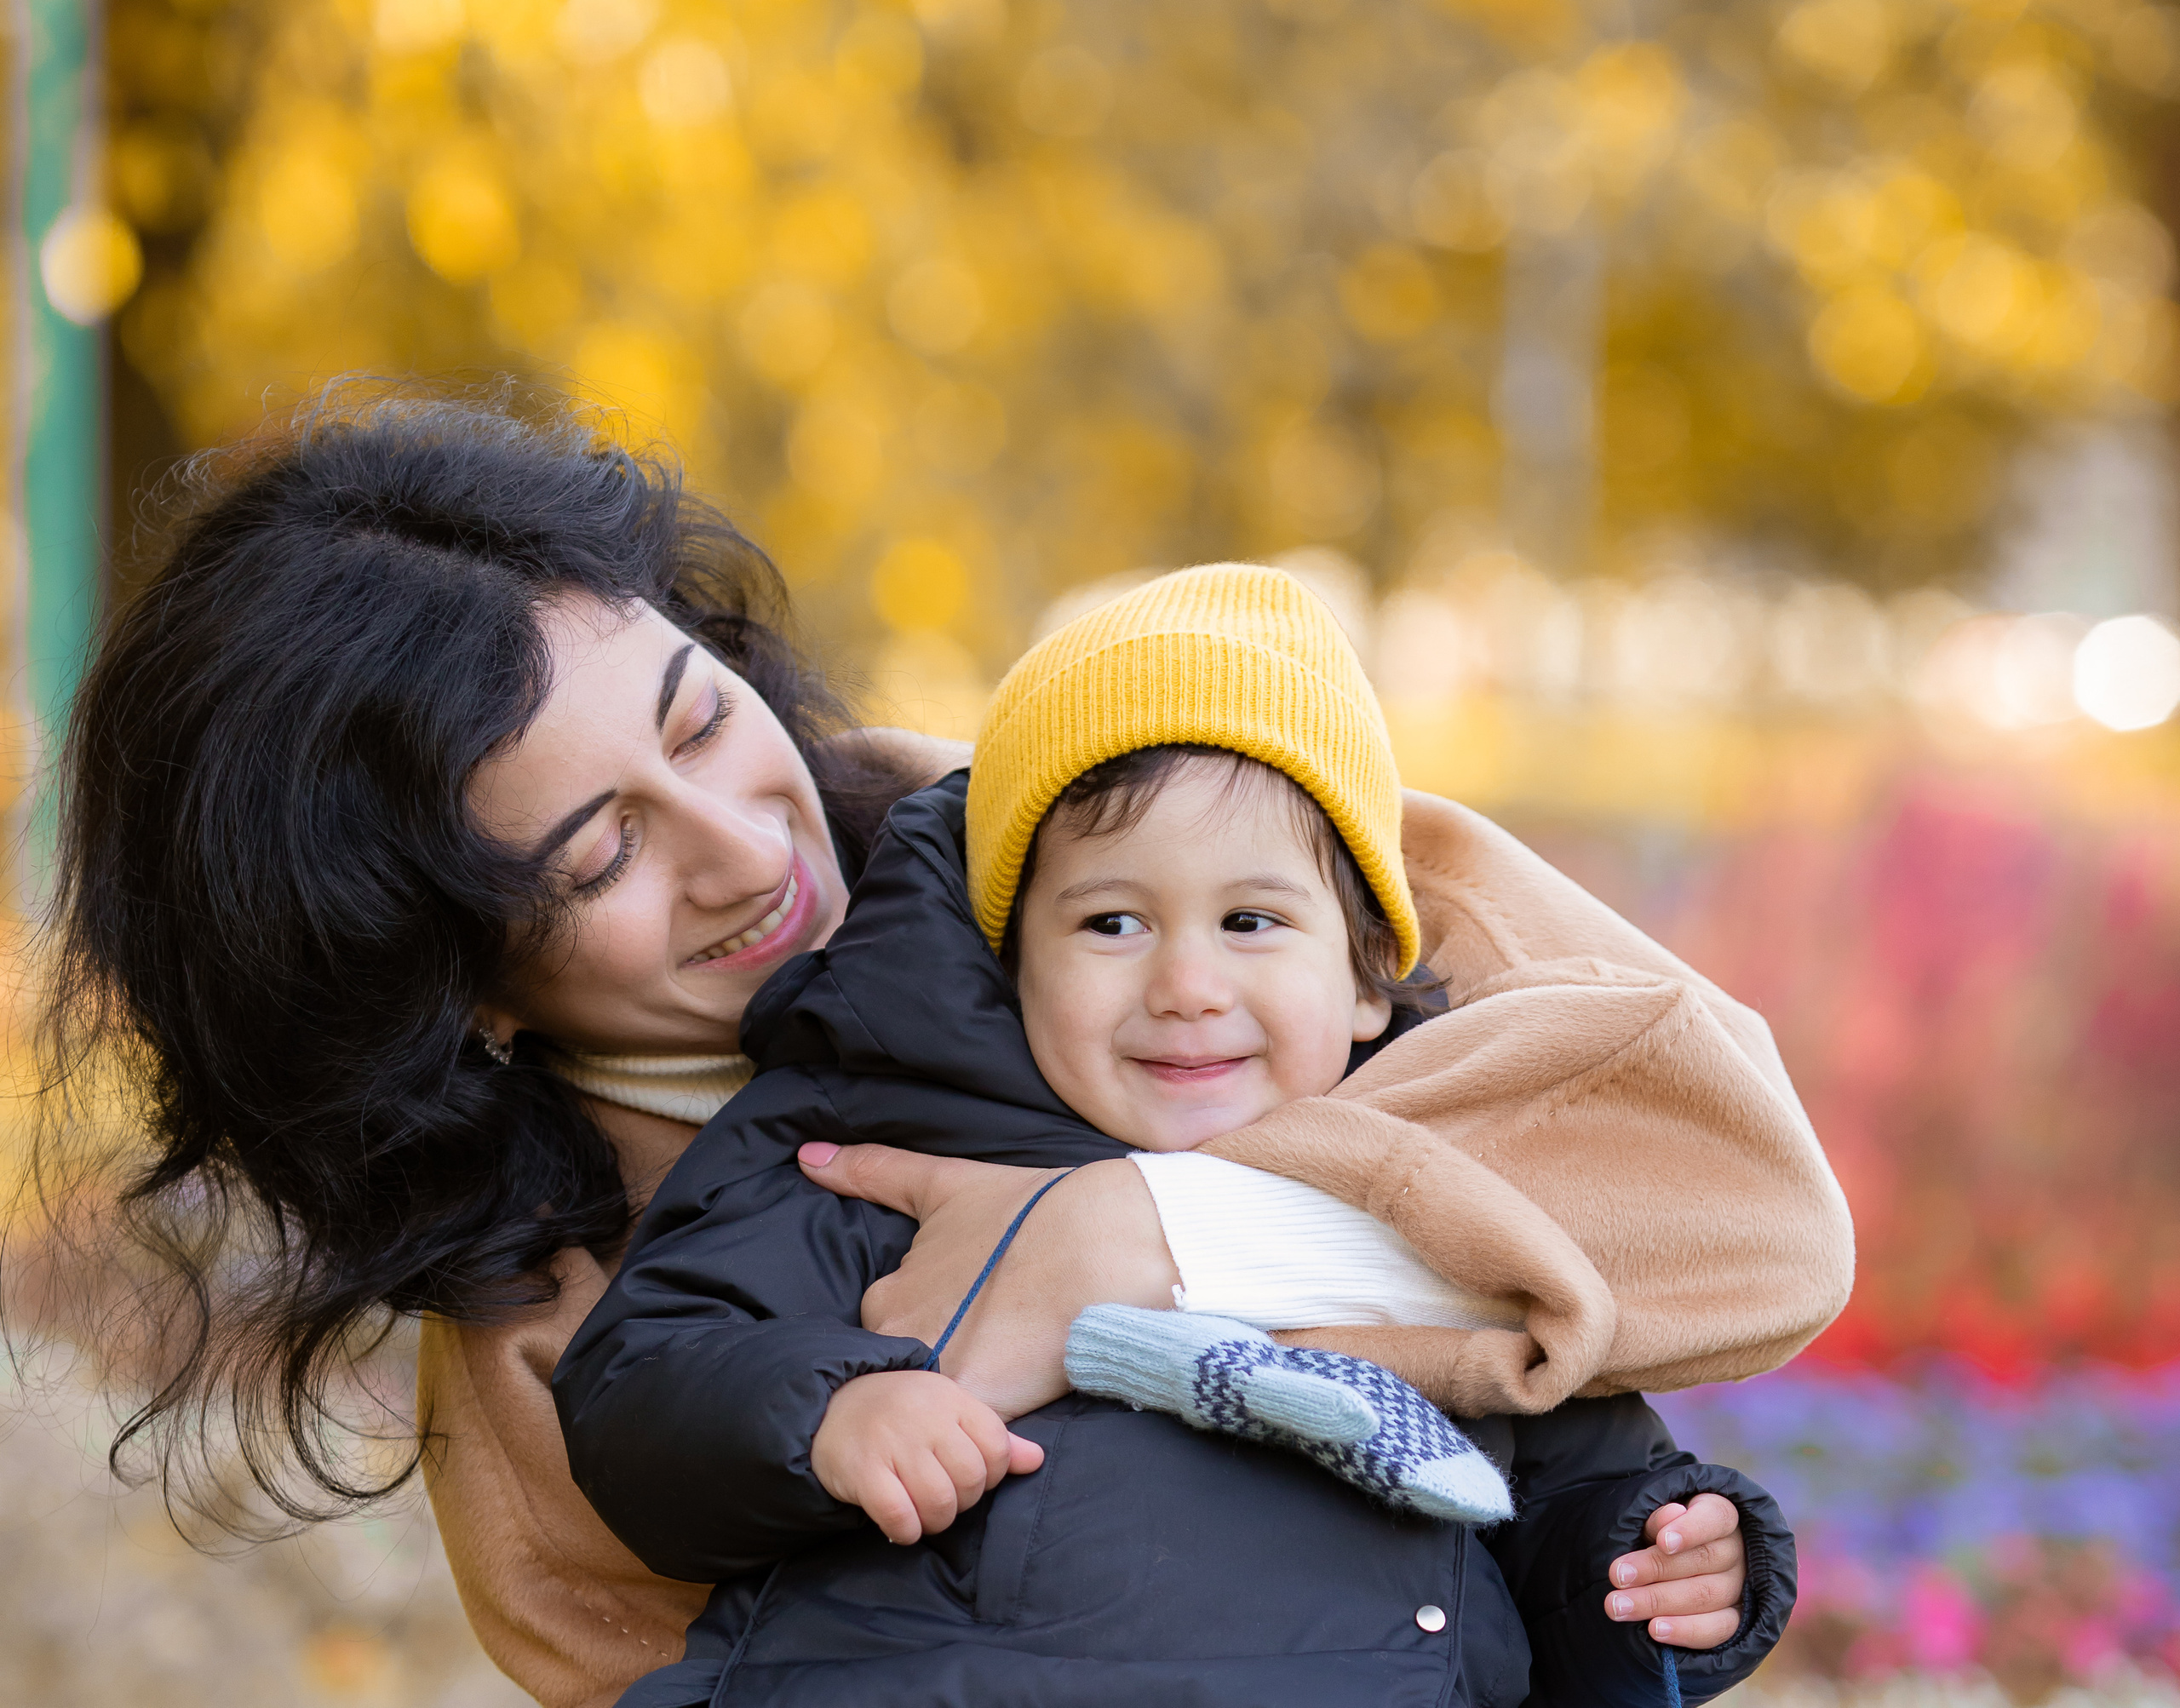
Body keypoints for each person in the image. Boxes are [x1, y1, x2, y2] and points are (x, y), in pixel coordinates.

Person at [39, 387, 1851, 1708]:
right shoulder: (545, 1356)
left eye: (699, 715)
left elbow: (1746, 1208)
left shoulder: (1147, 832)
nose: (746, 848)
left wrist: (1161, 1233)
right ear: (452, 986)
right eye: (597, 850)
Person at [559, 565, 1799, 1706]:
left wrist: (1654, 1566)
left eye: (1253, 920)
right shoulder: (876, 1144)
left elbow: (1574, 1485)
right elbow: (645, 1384)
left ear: (1368, 978)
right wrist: (824, 1418)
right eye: (1111, 924)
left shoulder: (1435, 1179)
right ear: (1015, 961)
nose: (1187, 982)